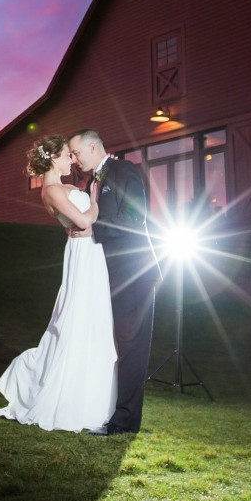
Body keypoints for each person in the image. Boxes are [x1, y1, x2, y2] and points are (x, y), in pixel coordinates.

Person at [0, 135, 118, 432]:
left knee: (95, 317)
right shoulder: (51, 190)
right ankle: (62, 394)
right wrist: (97, 197)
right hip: (82, 253)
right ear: (53, 159)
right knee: (76, 317)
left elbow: (82, 223)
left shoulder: (70, 187)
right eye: (67, 155)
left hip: (92, 251)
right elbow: (85, 221)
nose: (72, 160)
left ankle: (96, 397)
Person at [67, 128, 159, 435]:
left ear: (93, 148)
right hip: (106, 275)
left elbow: (136, 217)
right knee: (113, 345)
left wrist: (95, 230)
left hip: (133, 274)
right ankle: (106, 411)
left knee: (131, 346)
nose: (74, 159)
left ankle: (125, 422)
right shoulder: (90, 182)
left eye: (76, 152)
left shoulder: (124, 169)